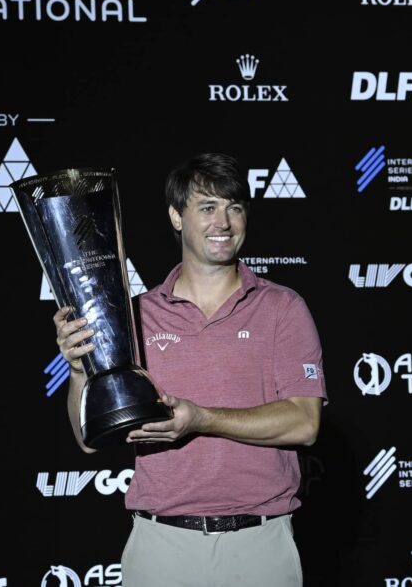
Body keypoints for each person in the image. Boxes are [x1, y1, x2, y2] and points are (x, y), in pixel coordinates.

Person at [53, 153, 327, 586]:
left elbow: (304, 423)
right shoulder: (134, 316)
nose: (224, 223)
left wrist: (202, 419)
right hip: (163, 544)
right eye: (207, 207)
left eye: (235, 208)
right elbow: (89, 441)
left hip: (260, 542)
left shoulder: (282, 308)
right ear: (176, 217)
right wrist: (78, 371)